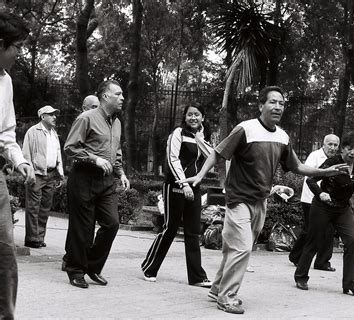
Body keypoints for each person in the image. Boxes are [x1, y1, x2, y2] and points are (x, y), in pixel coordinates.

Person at [178, 86, 348, 314]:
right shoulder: (245, 129)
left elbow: (296, 167)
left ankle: (217, 288)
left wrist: (326, 172)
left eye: (281, 103)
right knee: (242, 248)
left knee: (234, 248)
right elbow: (218, 152)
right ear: (261, 105)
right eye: (273, 102)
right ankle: (227, 297)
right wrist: (200, 175)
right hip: (238, 199)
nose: (278, 107)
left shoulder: (282, 136)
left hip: (261, 202)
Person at [63, 79, 130, 289]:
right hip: (84, 177)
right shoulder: (86, 118)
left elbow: (115, 152)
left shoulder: (117, 122)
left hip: (106, 180)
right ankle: (75, 270)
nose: (122, 98)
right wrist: (94, 158)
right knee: (83, 229)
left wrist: (121, 173)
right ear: (105, 96)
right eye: (118, 94)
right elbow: (70, 147)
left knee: (112, 224)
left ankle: (91, 266)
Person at [141, 103, 213, 287]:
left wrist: (200, 139)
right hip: (175, 186)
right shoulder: (178, 133)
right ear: (185, 117)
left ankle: (197, 277)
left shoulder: (202, 136)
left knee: (193, 232)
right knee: (170, 228)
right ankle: (149, 267)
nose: (193, 118)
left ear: (203, 117)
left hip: (194, 187)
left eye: (197, 114)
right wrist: (183, 184)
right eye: (190, 115)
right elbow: (172, 159)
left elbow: (211, 158)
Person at [294, 131, 354, 296]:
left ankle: (350, 284)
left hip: (342, 209)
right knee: (313, 241)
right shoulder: (332, 162)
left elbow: (353, 188)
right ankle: (301, 277)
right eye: (348, 148)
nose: (352, 152)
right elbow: (311, 179)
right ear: (343, 149)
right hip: (323, 207)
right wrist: (320, 193)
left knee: (353, 241)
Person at [0, 11, 35, 319]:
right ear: (0, 44)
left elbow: (6, 133)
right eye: (18, 46)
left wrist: (19, 159)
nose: (21, 53)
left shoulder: (6, 82)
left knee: (4, 254)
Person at [289, 134, 340, 270]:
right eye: (330, 144)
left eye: (335, 145)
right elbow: (308, 176)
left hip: (328, 201)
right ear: (323, 145)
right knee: (310, 229)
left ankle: (322, 262)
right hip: (310, 198)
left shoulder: (337, 160)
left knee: (329, 230)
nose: (332, 148)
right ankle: (296, 256)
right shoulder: (315, 156)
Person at [22, 105, 64, 249]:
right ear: (43, 116)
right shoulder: (33, 131)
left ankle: (39, 237)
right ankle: (31, 239)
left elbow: (57, 154)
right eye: (51, 114)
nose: (55, 117)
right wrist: (29, 171)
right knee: (33, 207)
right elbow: (26, 154)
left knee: (45, 208)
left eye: (55, 114)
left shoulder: (54, 133)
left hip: (51, 174)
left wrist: (60, 174)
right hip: (37, 174)